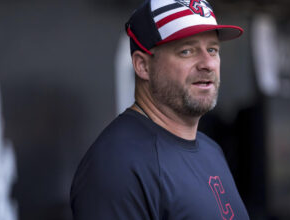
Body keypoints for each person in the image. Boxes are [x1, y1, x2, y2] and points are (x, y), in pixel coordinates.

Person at [70, 0, 249, 219]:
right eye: (187, 51)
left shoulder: (210, 150)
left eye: (212, 50)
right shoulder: (117, 166)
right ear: (143, 66)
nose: (208, 63)